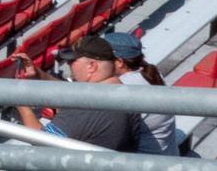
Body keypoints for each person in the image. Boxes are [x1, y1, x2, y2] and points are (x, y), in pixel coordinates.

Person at [13, 36, 143, 152]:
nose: (69, 65)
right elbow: (70, 92)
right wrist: (38, 74)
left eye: (72, 61)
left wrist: (22, 106)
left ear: (91, 66)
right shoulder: (124, 93)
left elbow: (42, 142)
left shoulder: (88, 105)